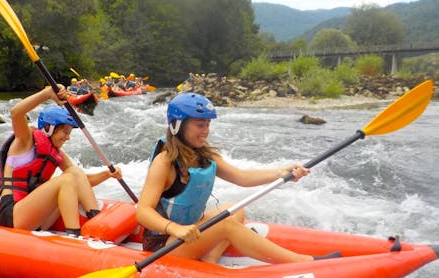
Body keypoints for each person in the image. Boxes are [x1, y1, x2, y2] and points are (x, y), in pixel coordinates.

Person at [136, 93, 340, 264]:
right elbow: (143, 211)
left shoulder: (204, 155)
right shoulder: (164, 163)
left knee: (236, 209)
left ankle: (209, 258)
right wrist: (176, 229)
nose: (205, 132)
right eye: (200, 125)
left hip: (193, 232)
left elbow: (242, 177)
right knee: (226, 224)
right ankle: (303, 262)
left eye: (207, 124)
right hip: (165, 245)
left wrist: (282, 172)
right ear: (177, 126)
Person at [0, 85, 122, 237]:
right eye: (65, 131)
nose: (68, 137)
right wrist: (47, 93)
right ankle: (73, 236)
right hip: (13, 215)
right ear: (49, 128)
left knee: (74, 172)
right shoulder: (25, 140)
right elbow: (16, 112)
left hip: (37, 216)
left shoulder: (56, 153)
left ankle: (96, 221)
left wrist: (107, 174)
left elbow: (81, 181)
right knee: (67, 179)